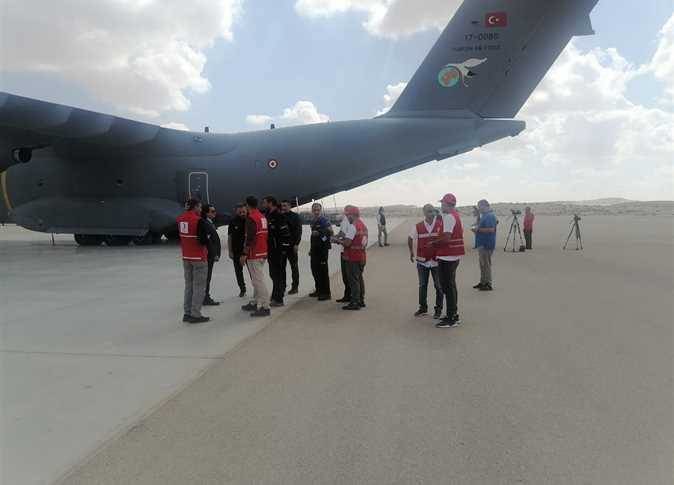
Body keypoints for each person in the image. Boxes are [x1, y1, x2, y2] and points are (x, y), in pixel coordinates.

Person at [430, 193, 465, 328]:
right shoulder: (455, 215)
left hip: (448, 256)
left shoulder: (450, 217)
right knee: (450, 286)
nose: (441, 206)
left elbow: (447, 238)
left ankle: (451, 318)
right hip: (453, 255)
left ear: (447, 204)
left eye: (442, 204)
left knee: (447, 287)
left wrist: (434, 243)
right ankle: (453, 314)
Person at [176, 199, 210, 324]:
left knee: (189, 286)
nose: (200, 210)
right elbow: (203, 240)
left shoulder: (180, 219)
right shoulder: (198, 220)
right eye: (199, 207)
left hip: (186, 257)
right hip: (199, 257)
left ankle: (187, 313)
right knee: (199, 286)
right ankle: (196, 314)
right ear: (195, 207)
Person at [408, 204, 444, 319]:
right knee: (422, 285)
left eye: (432, 211)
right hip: (422, 261)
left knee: (439, 286)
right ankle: (423, 308)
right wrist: (411, 252)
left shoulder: (440, 225)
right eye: (429, 211)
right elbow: (410, 238)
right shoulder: (417, 226)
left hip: (436, 261)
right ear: (424, 213)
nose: (431, 213)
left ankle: (438, 309)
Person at [240, 196, 271, 317]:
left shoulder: (251, 218)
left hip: (254, 253)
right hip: (262, 251)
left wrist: (244, 254)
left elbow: (250, 238)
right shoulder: (262, 217)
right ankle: (256, 301)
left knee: (258, 281)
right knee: (256, 279)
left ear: (247, 205)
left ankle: (265, 306)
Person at [335, 205, 368, 310]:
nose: (347, 217)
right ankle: (361, 300)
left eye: (347, 215)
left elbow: (347, 243)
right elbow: (364, 242)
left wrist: (337, 240)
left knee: (353, 281)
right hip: (361, 256)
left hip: (352, 257)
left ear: (352, 215)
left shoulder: (353, 227)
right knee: (359, 279)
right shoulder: (363, 225)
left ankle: (354, 302)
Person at [264, 196, 292, 307]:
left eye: (265, 202)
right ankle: (275, 294)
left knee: (278, 275)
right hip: (271, 250)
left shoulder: (279, 216)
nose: (263, 204)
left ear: (270, 203)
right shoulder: (268, 215)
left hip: (278, 251)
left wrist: (283, 250)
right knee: (273, 274)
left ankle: (279, 299)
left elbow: (286, 234)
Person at [309, 202, 333, 300]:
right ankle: (318, 290)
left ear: (321, 210)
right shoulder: (313, 221)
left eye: (318, 210)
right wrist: (311, 249)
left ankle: (326, 293)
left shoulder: (324, 220)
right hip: (314, 249)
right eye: (314, 210)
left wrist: (320, 233)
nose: (316, 212)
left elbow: (331, 232)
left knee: (323, 271)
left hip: (322, 249)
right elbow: (313, 237)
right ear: (312, 211)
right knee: (315, 270)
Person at [472, 199, 497, 291]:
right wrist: (478, 217)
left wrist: (478, 230)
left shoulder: (490, 216)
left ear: (485, 206)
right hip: (482, 243)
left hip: (487, 244)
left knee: (486, 264)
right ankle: (483, 282)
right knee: (482, 264)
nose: (479, 208)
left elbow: (491, 229)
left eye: (480, 206)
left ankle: (488, 283)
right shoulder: (484, 215)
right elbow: (480, 224)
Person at [201, 203, 222, 306]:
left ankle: (205, 296)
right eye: (212, 211)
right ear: (206, 213)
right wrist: (214, 254)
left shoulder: (209, 222)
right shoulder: (205, 223)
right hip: (209, 255)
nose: (215, 213)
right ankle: (205, 297)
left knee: (207, 277)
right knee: (207, 277)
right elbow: (209, 242)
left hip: (210, 255)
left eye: (215, 211)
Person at [280, 200, 302, 294]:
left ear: (289, 206)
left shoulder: (295, 216)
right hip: (282, 246)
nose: (283, 208)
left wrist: (297, 244)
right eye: (282, 206)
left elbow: (299, 231)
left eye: (285, 206)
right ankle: (282, 286)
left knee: (294, 267)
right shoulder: (280, 216)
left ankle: (295, 287)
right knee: (282, 267)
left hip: (292, 246)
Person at [227, 204, 248, 297]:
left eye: (243, 211)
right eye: (240, 212)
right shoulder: (233, 221)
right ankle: (242, 289)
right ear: (236, 211)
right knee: (238, 272)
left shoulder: (249, 220)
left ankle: (256, 288)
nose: (242, 213)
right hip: (236, 251)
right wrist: (230, 251)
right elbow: (230, 237)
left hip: (248, 251)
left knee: (253, 272)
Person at [335, 207, 354, 303]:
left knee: (347, 276)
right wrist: (336, 237)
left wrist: (336, 239)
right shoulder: (346, 220)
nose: (345, 212)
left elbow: (342, 234)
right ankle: (348, 295)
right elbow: (342, 233)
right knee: (347, 276)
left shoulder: (346, 220)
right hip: (345, 251)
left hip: (346, 251)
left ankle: (350, 296)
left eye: (346, 211)